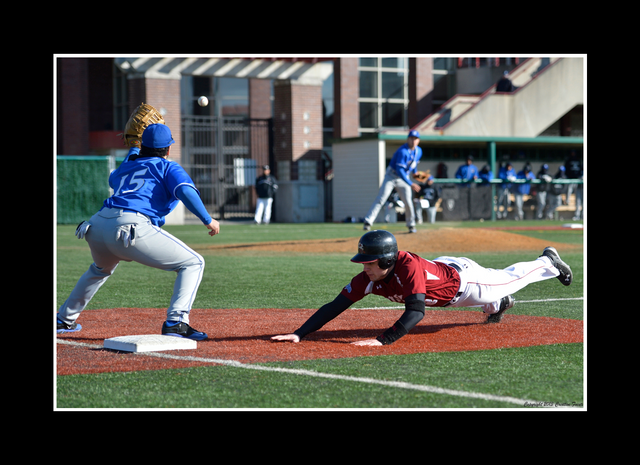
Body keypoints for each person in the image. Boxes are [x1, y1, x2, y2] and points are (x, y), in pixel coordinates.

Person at [57, 123, 220, 340]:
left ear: (142, 146)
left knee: (99, 270)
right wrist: (208, 220)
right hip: (129, 226)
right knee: (193, 263)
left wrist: (134, 147)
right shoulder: (167, 167)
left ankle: (63, 319)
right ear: (169, 148)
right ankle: (176, 322)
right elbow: (185, 191)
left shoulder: (129, 164)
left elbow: (114, 178)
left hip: (97, 225)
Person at [271, 230, 572, 346]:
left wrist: (383, 340)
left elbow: (416, 312)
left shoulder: (408, 267)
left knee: (509, 279)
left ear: (387, 260)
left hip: (465, 283)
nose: (365, 268)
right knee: (493, 299)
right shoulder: (369, 278)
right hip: (441, 278)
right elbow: (335, 306)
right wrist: (300, 332)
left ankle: (546, 262)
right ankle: (499, 305)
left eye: (370, 262)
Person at [363, 130, 422, 234]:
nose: (413, 141)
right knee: (381, 199)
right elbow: (399, 170)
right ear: (408, 139)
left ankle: (411, 224)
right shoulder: (402, 151)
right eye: (411, 138)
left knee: (408, 201)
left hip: (403, 178)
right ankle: (368, 221)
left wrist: (415, 173)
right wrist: (411, 183)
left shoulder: (419, 151)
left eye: (415, 139)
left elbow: (414, 164)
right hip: (391, 176)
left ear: (418, 140)